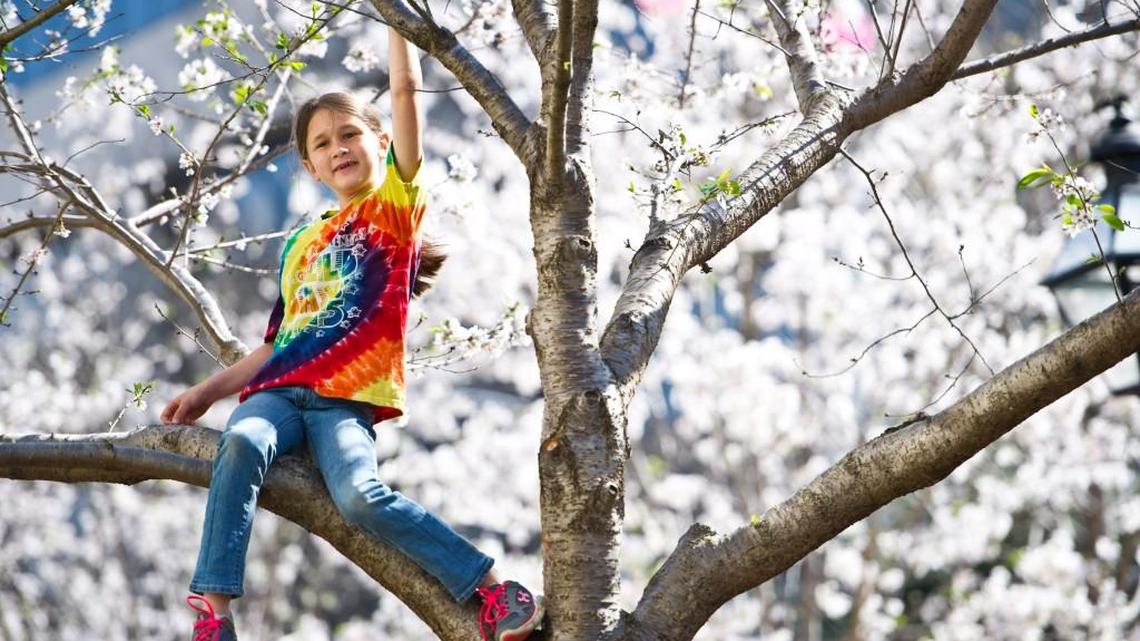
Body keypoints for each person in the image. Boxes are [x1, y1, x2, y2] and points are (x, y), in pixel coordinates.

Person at [160, 27, 545, 641]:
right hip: (280, 392)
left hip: (346, 401)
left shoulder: (393, 208)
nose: (338, 148)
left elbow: (404, 89)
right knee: (242, 441)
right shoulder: (298, 242)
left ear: (380, 144)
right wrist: (208, 391)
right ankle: (215, 612)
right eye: (322, 143)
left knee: (361, 497)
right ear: (310, 167)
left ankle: (493, 587)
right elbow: (274, 344)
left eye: (350, 134)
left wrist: (398, 25)